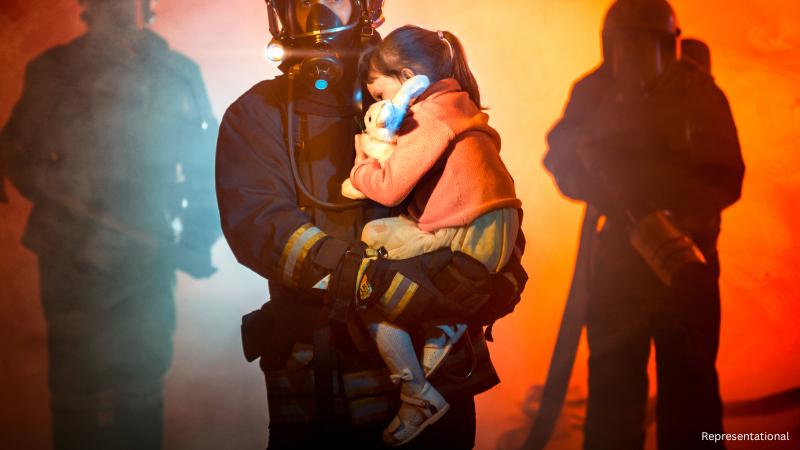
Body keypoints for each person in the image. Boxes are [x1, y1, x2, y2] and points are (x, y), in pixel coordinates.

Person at [215, 1, 528, 448]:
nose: (315, 12)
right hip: (322, 392)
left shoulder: (423, 96)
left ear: (368, 6)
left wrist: (499, 271)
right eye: (300, 1)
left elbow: (481, 190)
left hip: (439, 386)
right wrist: (369, 280)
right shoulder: (257, 114)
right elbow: (260, 227)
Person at [0, 1, 220, 449]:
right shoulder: (54, 70)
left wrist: (196, 239)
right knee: (76, 387)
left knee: (138, 383)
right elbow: (15, 153)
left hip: (144, 253)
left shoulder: (177, 73)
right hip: (70, 254)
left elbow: (206, 169)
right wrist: (64, 196)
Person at [542, 0, 745, 449]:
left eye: (649, 44)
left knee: (691, 396)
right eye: (629, 45)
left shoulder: (699, 91)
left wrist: (674, 219)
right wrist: (608, 192)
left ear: (669, 44)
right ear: (611, 46)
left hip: (687, 263)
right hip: (620, 261)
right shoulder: (594, 93)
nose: (639, 57)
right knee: (614, 392)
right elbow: (559, 155)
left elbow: (729, 174)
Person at [345, 25, 522, 446]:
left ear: (407, 80)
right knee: (426, 303)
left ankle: (416, 391)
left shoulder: (430, 116)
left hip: (468, 234)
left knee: (374, 285)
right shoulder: (457, 103)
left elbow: (388, 188)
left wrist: (359, 166)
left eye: (381, 96)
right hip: (493, 230)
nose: (382, 108)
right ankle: (438, 347)